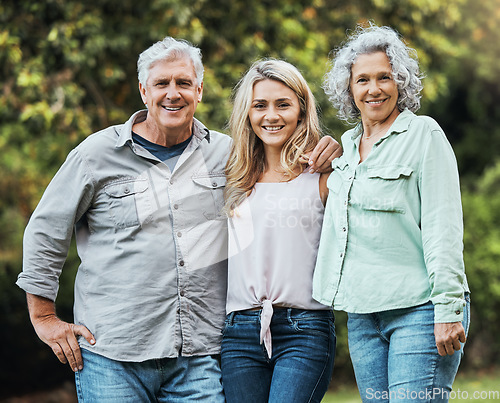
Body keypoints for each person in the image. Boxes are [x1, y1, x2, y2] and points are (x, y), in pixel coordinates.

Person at [16, 38, 340, 401]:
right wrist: (44, 317)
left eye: (184, 83)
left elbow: (283, 171)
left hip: (199, 358)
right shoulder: (96, 155)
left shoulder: (229, 155)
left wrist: (327, 149)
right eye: (162, 83)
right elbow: (46, 231)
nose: (173, 93)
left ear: (199, 90)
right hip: (113, 353)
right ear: (143, 90)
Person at [313, 24, 470, 402]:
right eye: (362, 80)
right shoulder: (347, 148)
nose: (374, 89)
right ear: (349, 89)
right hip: (363, 315)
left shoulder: (424, 136)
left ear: (400, 82)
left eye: (384, 77)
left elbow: (442, 228)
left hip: (419, 309)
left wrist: (448, 308)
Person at [221, 59, 336, 403]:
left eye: (283, 104)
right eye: (260, 105)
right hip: (240, 331)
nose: (271, 115)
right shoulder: (234, 178)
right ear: (248, 113)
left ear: (301, 110)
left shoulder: (324, 177)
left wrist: (337, 154)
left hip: (305, 328)